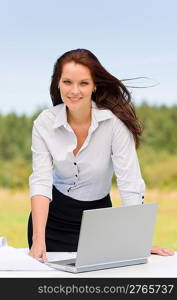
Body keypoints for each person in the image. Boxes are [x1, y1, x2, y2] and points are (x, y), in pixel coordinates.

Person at [28, 48, 174, 262]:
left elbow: (130, 183)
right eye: (67, 82)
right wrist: (38, 238)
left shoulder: (114, 124)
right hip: (52, 222)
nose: (74, 91)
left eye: (83, 83)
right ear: (57, 83)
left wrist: (138, 240)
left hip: (98, 222)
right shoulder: (44, 123)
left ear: (95, 85)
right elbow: (41, 181)